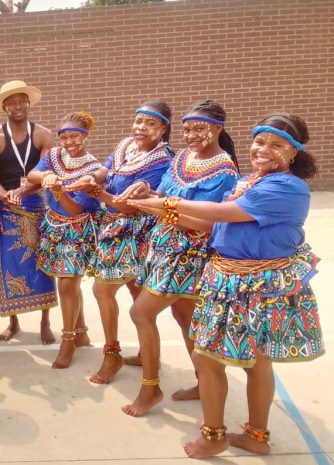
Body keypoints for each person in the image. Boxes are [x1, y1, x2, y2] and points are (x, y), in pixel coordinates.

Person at [129, 114, 324, 458]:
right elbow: (211, 226)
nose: (264, 150)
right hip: (228, 279)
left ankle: (216, 436)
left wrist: (168, 204)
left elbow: (223, 214)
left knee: (216, 360)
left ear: (294, 153)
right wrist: (159, 211)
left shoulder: (286, 187)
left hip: (255, 286)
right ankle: (255, 436)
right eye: (260, 141)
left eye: (277, 145)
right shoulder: (251, 180)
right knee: (245, 362)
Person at [121, 100, 239, 417]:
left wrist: (159, 209)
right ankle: (204, 382)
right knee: (185, 318)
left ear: (218, 129)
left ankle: (150, 387)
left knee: (140, 313)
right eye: (186, 129)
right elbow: (164, 191)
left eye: (199, 129)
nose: (190, 136)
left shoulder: (225, 170)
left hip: (191, 256)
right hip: (165, 248)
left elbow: (210, 222)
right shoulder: (184, 157)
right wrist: (147, 190)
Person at [86, 102, 174, 384]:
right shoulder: (126, 145)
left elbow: (131, 207)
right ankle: (151, 357)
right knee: (137, 295)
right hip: (113, 226)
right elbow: (106, 170)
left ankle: (112, 354)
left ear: (163, 129)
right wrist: (90, 177)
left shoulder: (162, 159)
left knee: (103, 290)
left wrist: (99, 194)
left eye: (150, 123)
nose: (141, 128)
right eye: (138, 121)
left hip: (134, 232)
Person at [26, 111, 107, 368]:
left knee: (67, 283)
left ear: (85, 136)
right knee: (69, 283)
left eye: (75, 136)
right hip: (53, 225)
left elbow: (74, 209)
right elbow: (31, 175)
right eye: (64, 137)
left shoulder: (94, 168)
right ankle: (81, 331)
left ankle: (68, 339)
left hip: (78, 229)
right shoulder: (53, 156)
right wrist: (45, 176)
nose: (69, 141)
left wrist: (58, 188)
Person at [0, 80, 58, 344]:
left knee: (42, 265)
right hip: (6, 208)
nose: (17, 106)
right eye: (11, 102)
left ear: (28, 103)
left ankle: (45, 321)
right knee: (6, 267)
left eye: (21, 101)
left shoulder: (43, 135)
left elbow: (46, 174)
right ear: (4, 107)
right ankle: (13, 321)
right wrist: (4, 194)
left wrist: (22, 192)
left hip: (34, 206)